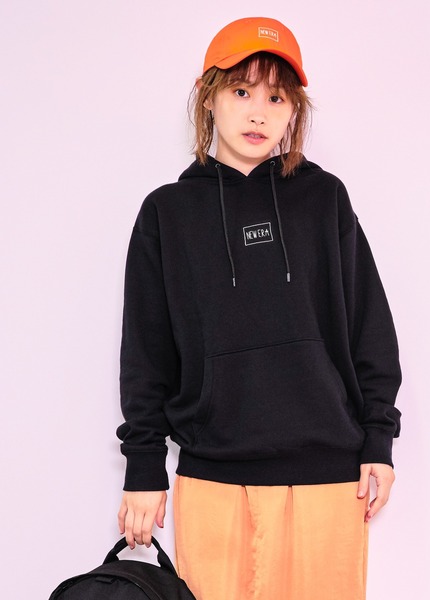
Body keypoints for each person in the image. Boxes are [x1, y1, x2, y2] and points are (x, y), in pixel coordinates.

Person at [116, 16, 402, 600]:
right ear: (208, 97)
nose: (258, 113)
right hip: (214, 477)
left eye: (276, 97)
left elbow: (369, 325)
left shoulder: (325, 199)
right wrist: (144, 467)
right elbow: (146, 350)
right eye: (242, 91)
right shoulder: (167, 213)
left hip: (329, 477)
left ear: (294, 110)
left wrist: (379, 439)